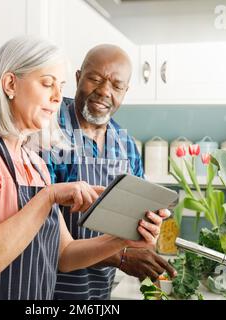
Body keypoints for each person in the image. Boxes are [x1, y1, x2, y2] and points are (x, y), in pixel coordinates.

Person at [0, 36, 167, 300]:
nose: (59, 97)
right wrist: (48, 196)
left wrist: (124, 240)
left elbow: (64, 254)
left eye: (60, 86)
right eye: (47, 83)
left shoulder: (33, 162)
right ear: (10, 84)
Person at [44, 44, 176, 300]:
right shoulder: (49, 130)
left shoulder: (125, 145)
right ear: (78, 77)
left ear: (125, 92)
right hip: (48, 291)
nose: (104, 91)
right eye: (95, 79)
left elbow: (139, 222)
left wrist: (149, 230)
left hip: (98, 293)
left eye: (116, 86)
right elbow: (40, 231)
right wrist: (120, 256)